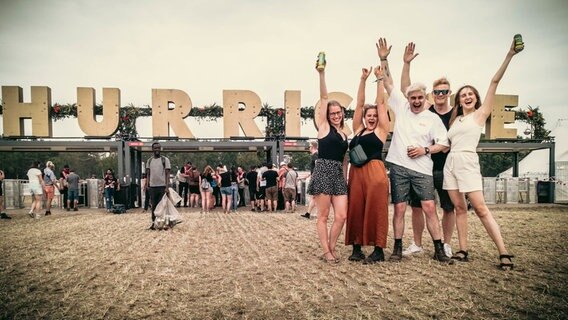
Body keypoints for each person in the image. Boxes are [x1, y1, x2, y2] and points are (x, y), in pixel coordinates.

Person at [443, 37, 522, 270]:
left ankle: (504, 251)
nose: (467, 97)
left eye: (471, 94)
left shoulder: (480, 115)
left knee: (480, 208)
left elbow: (494, 81)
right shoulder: (455, 119)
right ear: (458, 99)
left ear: (476, 98)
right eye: (463, 94)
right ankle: (463, 249)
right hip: (451, 163)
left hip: (467, 161)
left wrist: (509, 54)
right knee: (459, 208)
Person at [377, 37, 451, 263]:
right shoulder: (400, 106)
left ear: (425, 98)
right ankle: (397, 248)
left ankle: (438, 249)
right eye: (413, 97)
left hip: (423, 170)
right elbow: (388, 82)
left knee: (429, 207)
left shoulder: (432, 119)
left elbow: (444, 144)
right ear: (407, 98)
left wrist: (425, 150)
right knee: (399, 208)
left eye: (420, 97)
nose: (416, 101)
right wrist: (384, 58)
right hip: (399, 166)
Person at [400, 42, 456, 258]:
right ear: (431, 95)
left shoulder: (455, 114)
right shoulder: (426, 111)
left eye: (445, 91)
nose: (441, 94)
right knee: (417, 206)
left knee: (447, 207)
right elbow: (407, 89)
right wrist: (406, 64)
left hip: (446, 168)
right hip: (422, 167)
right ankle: (416, 243)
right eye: (437, 91)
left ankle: (447, 244)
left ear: (449, 93)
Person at [345, 64, 390, 264]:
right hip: (356, 172)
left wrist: (379, 80)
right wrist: (363, 80)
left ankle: (378, 249)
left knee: (376, 208)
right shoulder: (358, 129)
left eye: (374, 116)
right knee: (355, 207)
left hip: (375, 171)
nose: (371, 118)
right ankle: (357, 247)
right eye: (368, 116)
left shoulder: (381, 130)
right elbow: (360, 103)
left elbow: (380, 102)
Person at [306, 54, 348, 264]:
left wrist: (345, 175)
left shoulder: (344, 133)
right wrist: (322, 74)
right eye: (332, 113)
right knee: (323, 216)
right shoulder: (323, 127)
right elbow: (324, 98)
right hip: (323, 171)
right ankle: (326, 251)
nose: (335, 115)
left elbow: (344, 159)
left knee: (341, 216)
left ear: (342, 113)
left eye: (338, 112)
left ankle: (330, 247)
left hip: (339, 175)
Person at [145, 142, 171, 229]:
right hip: (152, 187)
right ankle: (154, 223)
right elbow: (148, 174)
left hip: (162, 186)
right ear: (152, 149)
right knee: (154, 206)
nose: (157, 150)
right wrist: (147, 184)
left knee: (163, 206)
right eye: (155, 148)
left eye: (158, 148)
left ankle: (163, 223)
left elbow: (167, 174)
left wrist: (167, 187)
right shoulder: (149, 161)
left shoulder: (165, 160)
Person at [300, 141, 318, 219]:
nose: (309, 148)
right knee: (314, 197)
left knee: (314, 197)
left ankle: (310, 213)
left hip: (315, 179)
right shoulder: (316, 155)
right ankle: (309, 213)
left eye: (310, 147)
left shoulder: (315, 155)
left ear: (312, 147)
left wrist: (313, 176)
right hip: (315, 177)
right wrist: (309, 175)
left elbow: (317, 166)